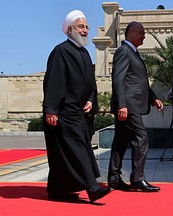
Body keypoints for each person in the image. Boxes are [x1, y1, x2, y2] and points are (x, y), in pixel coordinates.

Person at [42, 10, 111, 203]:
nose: (85, 30)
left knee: (64, 153)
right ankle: (92, 187)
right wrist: (51, 109)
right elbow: (54, 81)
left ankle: (58, 190)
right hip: (64, 112)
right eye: (81, 27)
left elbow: (90, 82)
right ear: (70, 30)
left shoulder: (84, 52)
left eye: (86, 27)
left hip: (79, 112)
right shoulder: (61, 51)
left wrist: (90, 99)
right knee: (79, 149)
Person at [108, 21, 164, 192]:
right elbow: (118, 79)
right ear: (131, 32)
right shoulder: (123, 51)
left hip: (130, 104)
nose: (144, 36)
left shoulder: (133, 52)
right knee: (141, 138)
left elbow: (138, 81)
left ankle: (114, 179)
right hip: (128, 106)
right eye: (141, 32)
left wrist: (153, 98)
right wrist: (122, 105)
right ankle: (137, 178)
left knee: (121, 141)